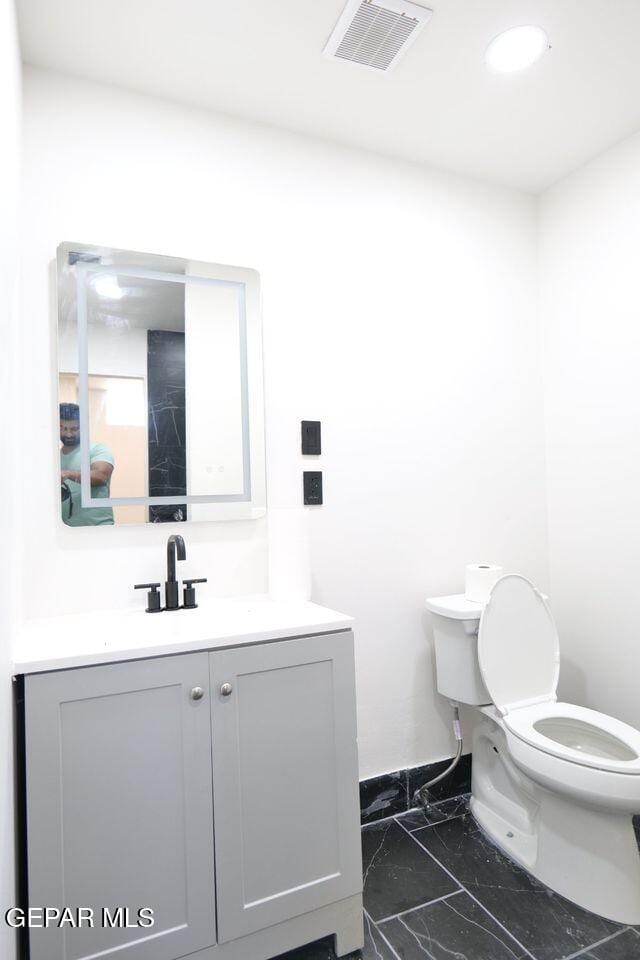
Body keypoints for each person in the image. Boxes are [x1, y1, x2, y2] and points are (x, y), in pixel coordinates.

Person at [59, 403, 115, 526]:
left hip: (97, 529)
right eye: (63, 428)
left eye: (74, 429)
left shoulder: (97, 449)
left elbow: (100, 476)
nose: (68, 434)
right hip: (64, 532)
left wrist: (67, 474)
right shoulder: (52, 458)